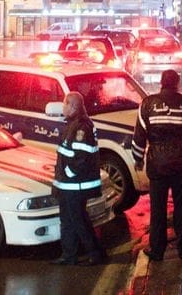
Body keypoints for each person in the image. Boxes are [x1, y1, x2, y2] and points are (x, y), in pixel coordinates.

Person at [132, 69, 182, 261]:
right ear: (178, 84)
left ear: (161, 83)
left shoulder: (147, 104)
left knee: (158, 210)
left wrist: (137, 159)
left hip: (157, 165)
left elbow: (139, 137)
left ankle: (157, 251)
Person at [50, 91, 106, 265]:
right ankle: (69, 255)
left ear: (73, 106)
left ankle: (96, 254)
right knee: (67, 221)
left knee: (79, 220)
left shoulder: (82, 127)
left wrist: (68, 173)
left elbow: (81, 157)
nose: (63, 107)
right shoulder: (73, 124)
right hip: (67, 185)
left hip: (75, 185)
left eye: (65, 104)